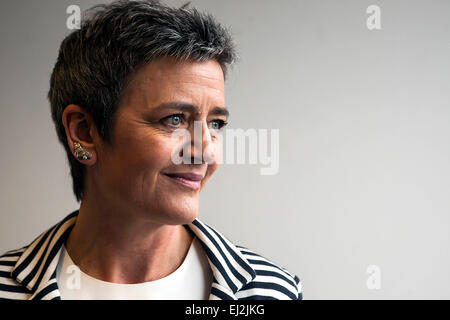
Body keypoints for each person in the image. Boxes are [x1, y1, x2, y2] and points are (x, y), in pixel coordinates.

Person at [0, 0, 302, 300]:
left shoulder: (272, 293)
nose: (205, 152)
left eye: (216, 124)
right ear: (84, 131)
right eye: (174, 119)